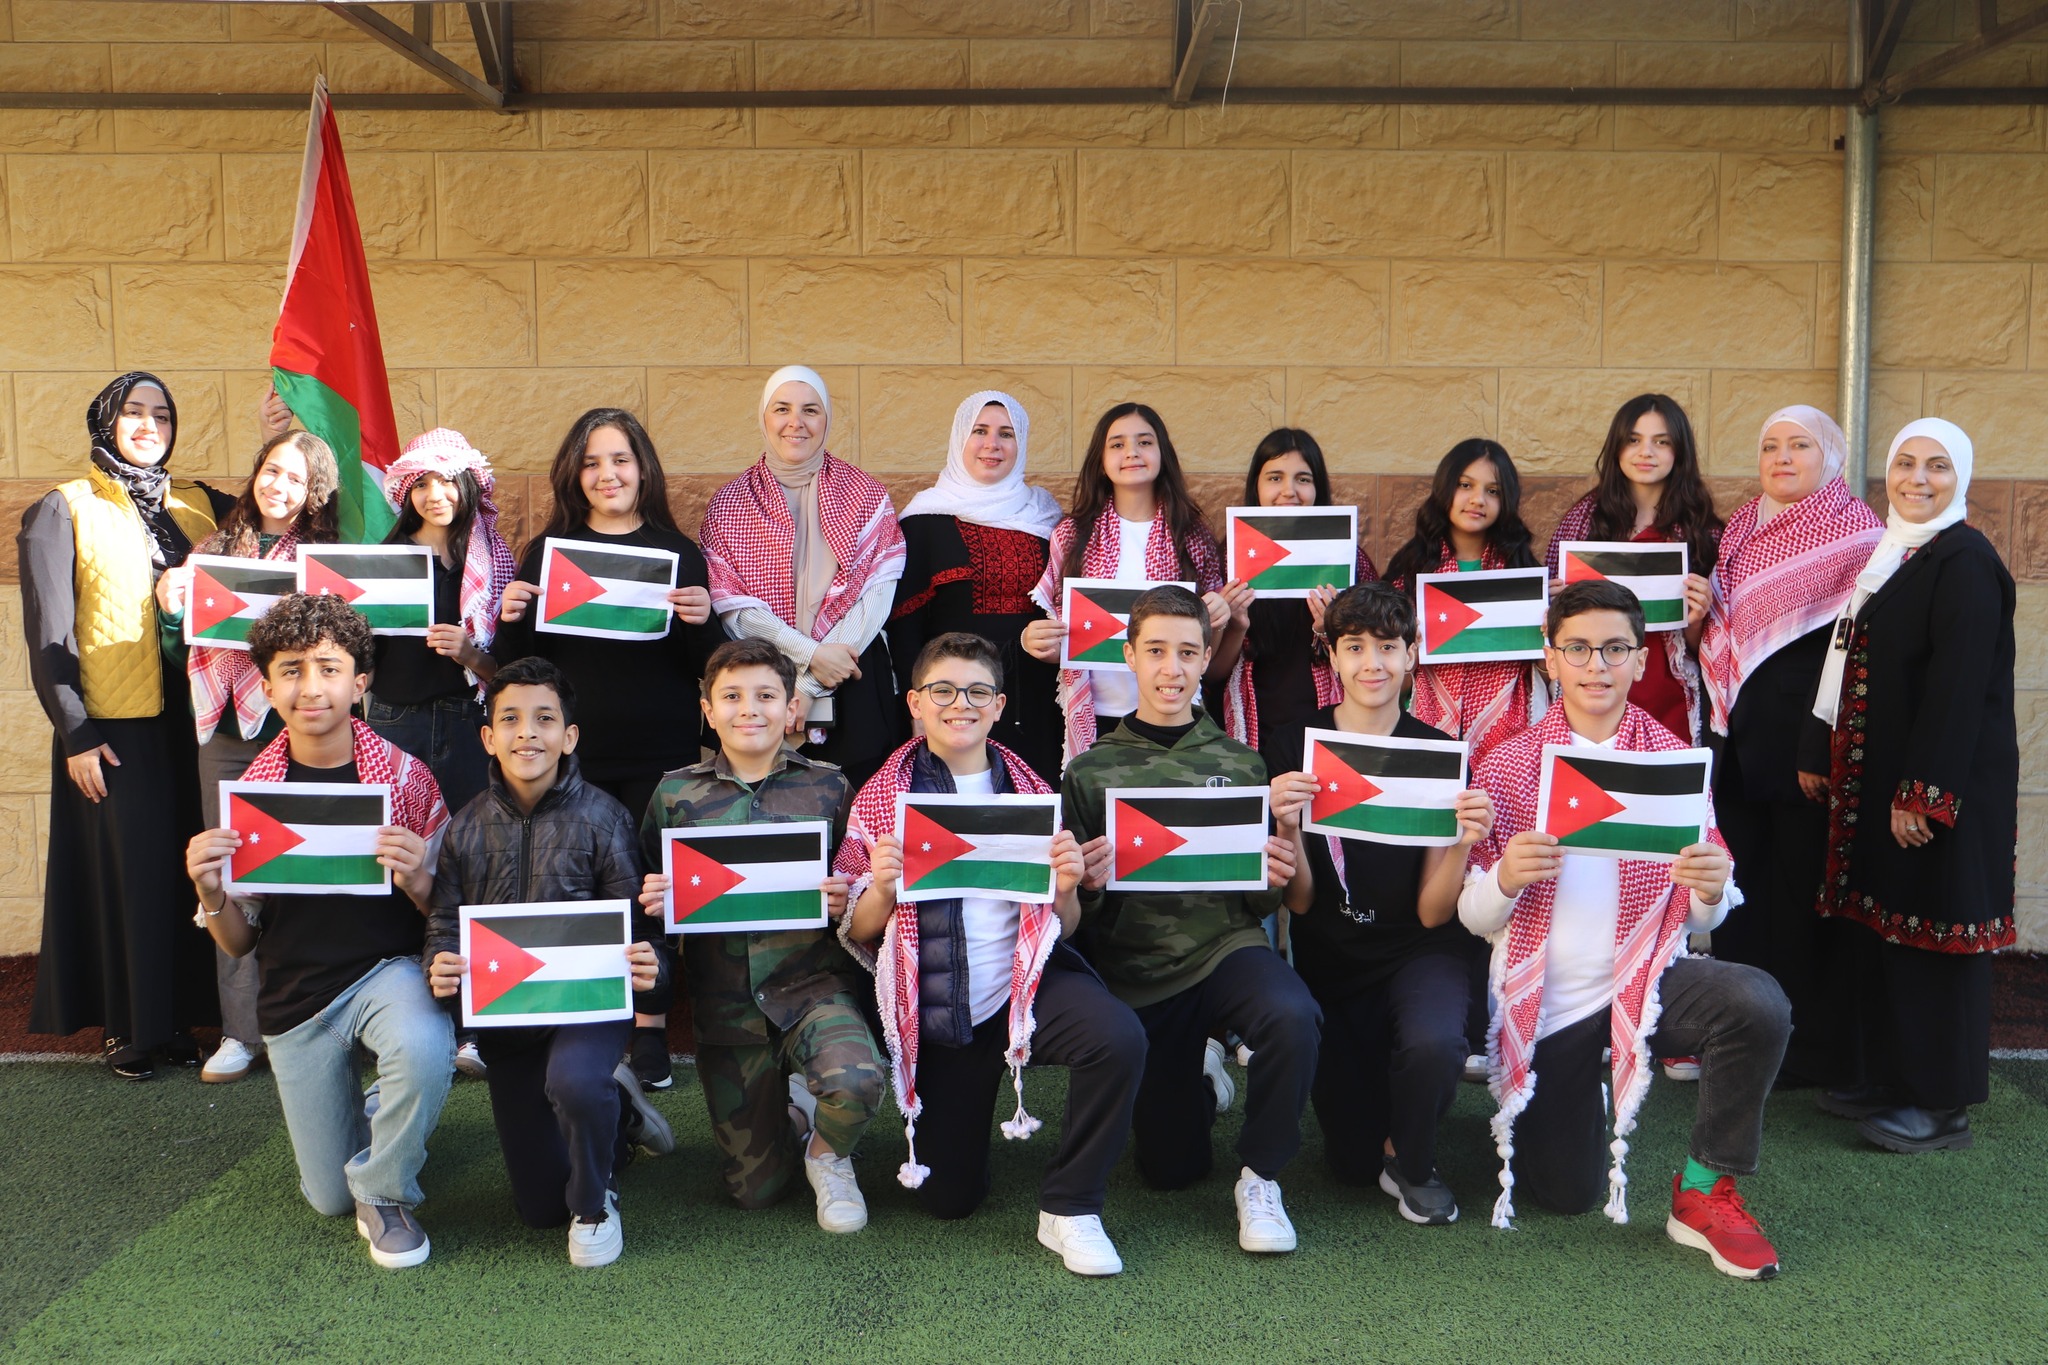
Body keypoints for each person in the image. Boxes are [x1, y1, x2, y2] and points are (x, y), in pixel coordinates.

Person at [1460, 580, 1791, 1280]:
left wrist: (1709, 890)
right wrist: (1506, 878)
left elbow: (1701, 914)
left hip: (1647, 979)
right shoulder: (1511, 763)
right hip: (1551, 1003)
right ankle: (1579, 1087)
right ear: (1550, 658)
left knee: (1757, 1003)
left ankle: (1703, 1189)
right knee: (1566, 1195)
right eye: (1577, 648)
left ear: (1641, 660)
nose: (1597, 665)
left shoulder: (1673, 761)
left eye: (1615, 648)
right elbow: (1472, 916)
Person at [839, 632, 1145, 1276]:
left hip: (1026, 986)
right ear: (915, 703)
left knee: (1117, 1036)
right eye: (944, 691)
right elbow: (858, 928)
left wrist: (1066, 888)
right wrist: (885, 887)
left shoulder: (1029, 789)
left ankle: (1070, 1205)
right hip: (942, 1009)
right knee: (950, 1201)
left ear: (1000, 704)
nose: (962, 704)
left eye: (979, 691)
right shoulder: (884, 794)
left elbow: (1064, 926)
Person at [183, 593, 453, 1269]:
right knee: (329, 1197)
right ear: (267, 686)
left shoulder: (406, 779)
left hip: (386, 972)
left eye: (329, 668)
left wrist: (420, 879)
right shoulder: (252, 794)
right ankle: (381, 1106)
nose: (311, 687)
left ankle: (385, 1191)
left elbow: (447, 914)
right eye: (292, 670)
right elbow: (240, 943)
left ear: (360, 682)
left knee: (424, 1046)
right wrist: (210, 891)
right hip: (296, 997)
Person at [1059, 585, 1319, 1254]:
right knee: (1171, 1170)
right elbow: (1078, 919)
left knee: (1292, 1013)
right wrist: (1088, 884)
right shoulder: (1089, 772)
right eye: (1155, 651)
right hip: (1138, 974)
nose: (1170, 669)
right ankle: (1202, 1075)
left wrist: (1271, 878)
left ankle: (1262, 1178)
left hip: (1226, 950)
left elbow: (1257, 905)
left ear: (1207, 657)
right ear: (1129, 656)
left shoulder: (1241, 763)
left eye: (1186, 652)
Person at [1799, 419, 2017, 1153]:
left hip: (1938, 789)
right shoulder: (1898, 551)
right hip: (1886, 781)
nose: (1918, 479)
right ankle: (1894, 1078)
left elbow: (1958, 689)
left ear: (1962, 477)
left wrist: (1923, 792)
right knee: (1890, 929)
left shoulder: (1965, 561)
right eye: (1905, 463)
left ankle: (1941, 1105)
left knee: (1934, 935)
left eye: (1937, 467)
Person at [495, 406, 720, 1093]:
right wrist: (510, 618)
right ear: (574, 473)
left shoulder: (677, 553)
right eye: (592, 462)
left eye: (620, 459)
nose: (607, 474)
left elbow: (706, 668)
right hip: (574, 757)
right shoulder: (547, 552)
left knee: (650, 890)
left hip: (661, 753)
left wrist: (704, 623)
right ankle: (581, 1024)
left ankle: (649, 1030)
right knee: (577, 883)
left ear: (643, 468)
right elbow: (520, 669)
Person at [425, 656, 676, 1266]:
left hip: (588, 1012)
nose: (527, 733)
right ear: (488, 737)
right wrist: (440, 961)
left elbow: (642, 927)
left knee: (573, 1083)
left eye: (544, 719)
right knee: (538, 1207)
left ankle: (594, 1207)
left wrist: (652, 969)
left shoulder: (606, 819)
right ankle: (618, 1116)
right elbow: (444, 922)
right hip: (509, 1026)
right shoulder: (463, 828)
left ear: (570, 737)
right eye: (510, 719)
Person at [21, 371, 231, 1081]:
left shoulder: (199, 504)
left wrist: (278, 430)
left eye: (161, 414)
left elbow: (278, 522)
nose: (149, 425)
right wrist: (76, 733)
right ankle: (128, 1029)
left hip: (196, 718)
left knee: (185, 868)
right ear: (106, 421)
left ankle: (177, 1021)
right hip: (115, 728)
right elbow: (48, 635)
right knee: (131, 876)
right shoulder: (64, 508)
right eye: (134, 412)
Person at [638, 638, 886, 1234]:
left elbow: (858, 887)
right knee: (756, 1192)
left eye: (766, 696)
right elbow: (645, 896)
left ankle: (829, 1155)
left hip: (812, 988)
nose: (749, 709)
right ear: (707, 709)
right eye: (731, 697)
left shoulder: (831, 788)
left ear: (792, 707)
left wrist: (844, 898)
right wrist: (657, 901)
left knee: (857, 1080)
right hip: (727, 1008)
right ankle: (796, 1114)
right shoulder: (674, 795)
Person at [1284, 582, 1492, 1225]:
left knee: (1434, 1044)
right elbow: (1299, 902)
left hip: (1420, 950)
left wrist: (1462, 842)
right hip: (1332, 953)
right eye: (1355, 647)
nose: (1372, 663)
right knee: (1349, 1164)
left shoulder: (1438, 755)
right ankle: (1386, 1122)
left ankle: (1413, 1158)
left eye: (1388, 646)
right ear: (1332, 656)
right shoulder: (1297, 745)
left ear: (1411, 655)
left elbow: (1433, 914)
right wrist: (1287, 826)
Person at [1697, 406, 1882, 1086]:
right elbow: (1727, 627)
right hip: (1735, 737)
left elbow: (1855, 655)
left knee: (1804, 896)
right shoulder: (1742, 526)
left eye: (1799, 445)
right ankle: (1740, 1039)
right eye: (1770, 445)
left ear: (1831, 456)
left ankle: (1807, 1052)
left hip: (1806, 747)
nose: (1782, 457)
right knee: (1740, 891)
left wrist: (1820, 741)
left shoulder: (1861, 534)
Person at [155, 428, 340, 1084]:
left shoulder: (325, 560)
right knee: (233, 874)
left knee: (309, 867)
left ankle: (318, 1022)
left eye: (294, 477)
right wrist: (172, 612)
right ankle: (241, 1031)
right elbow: (180, 653)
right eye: (270, 470)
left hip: (302, 730)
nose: (277, 485)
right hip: (227, 735)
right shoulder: (212, 551)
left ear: (314, 492)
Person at [700, 366, 907, 793]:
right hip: (760, 689)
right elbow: (733, 608)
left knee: (854, 812)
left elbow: (878, 593)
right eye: (782, 409)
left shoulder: (865, 494)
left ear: (826, 419)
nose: (796, 422)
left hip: (851, 675)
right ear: (763, 417)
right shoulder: (729, 504)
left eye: (810, 410)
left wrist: (811, 683)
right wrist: (806, 659)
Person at [1025, 403, 1249, 765]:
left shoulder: (1191, 536)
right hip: (1096, 716)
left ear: (1163, 454)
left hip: (1175, 718)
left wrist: (1221, 619)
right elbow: (1060, 631)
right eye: (1117, 444)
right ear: (1101, 460)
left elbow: (1212, 661)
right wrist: (1040, 643)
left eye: (1144, 442)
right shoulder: (1072, 535)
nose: (1131, 452)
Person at [890, 392, 1065, 787]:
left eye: (1006, 434)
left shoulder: (1046, 519)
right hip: (955, 704)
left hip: (1036, 701)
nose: (992, 444)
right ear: (960, 439)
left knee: (1033, 802)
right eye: (980, 431)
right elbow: (905, 628)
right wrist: (919, 710)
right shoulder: (925, 520)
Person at [1542, 395, 1720, 744]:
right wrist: (1553, 603)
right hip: (1592, 688)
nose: (1646, 452)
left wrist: (1697, 621)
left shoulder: (1702, 532)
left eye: (1661, 442)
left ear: (1679, 451)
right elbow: (1550, 629)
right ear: (1617, 447)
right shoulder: (1582, 523)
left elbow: (1714, 645)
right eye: (1634, 440)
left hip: (1669, 694)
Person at [367, 427, 517, 820]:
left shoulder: (493, 562)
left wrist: (470, 655)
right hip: (396, 720)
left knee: (471, 835)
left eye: (446, 480)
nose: (434, 495)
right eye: (421, 484)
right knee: (395, 833)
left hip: (471, 723)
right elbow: (362, 654)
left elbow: (511, 669)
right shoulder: (384, 561)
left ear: (467, 484)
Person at [1230, 429, 1380, 788]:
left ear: (1318, 488)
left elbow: (1376, 652)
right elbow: (1214, 670)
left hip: (1330, 730)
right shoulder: (1233, 557)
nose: (1289, 491)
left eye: (1303, 479)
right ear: (1256, 486)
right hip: (1254, 731)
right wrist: (1234, 623)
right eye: (1275, 478)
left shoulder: (1348, 559)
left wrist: (1332, 628)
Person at [1381, 438, 1546, 759]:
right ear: (1445, 487)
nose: (1478, 499)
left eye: (1493, 491)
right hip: (1425, 728)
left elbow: (1546, 670)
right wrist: (1409, 651)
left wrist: (1551, 629)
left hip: (1509, 738)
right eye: (1465, 485)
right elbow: (1391, 675)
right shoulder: (1410, 572)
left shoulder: (1522, 571)